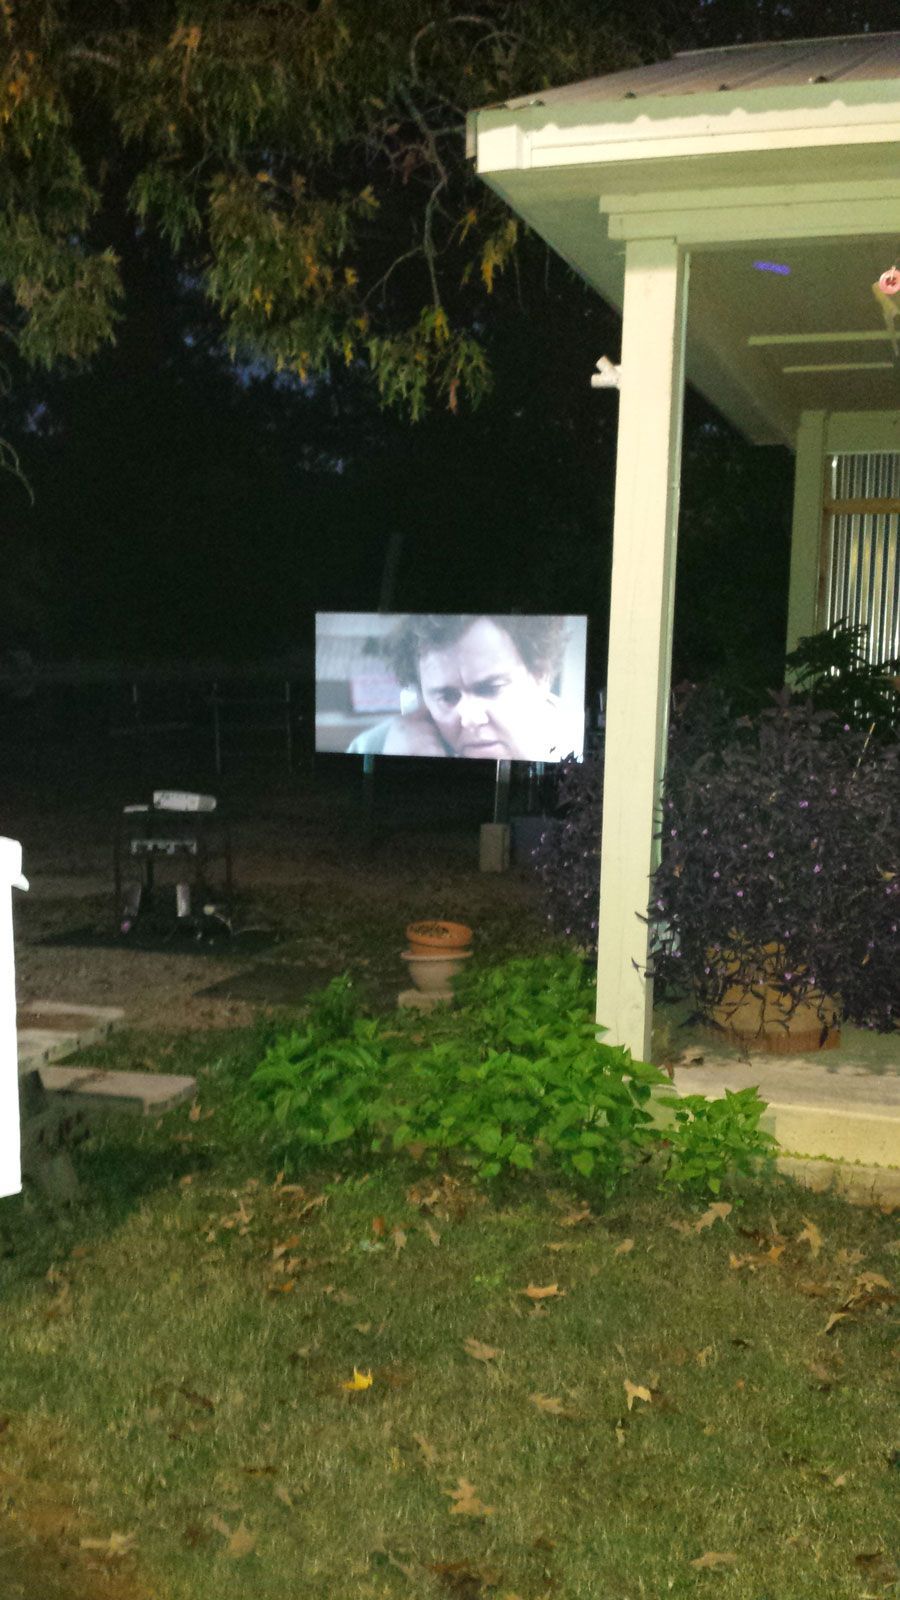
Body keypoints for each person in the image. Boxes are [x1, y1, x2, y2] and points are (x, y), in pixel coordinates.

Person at [346, 613, 581, 760]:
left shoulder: (587, 747)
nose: (470, 719)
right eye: (447, 697)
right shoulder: (370, 748)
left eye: (490, 689)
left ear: (541, 676)